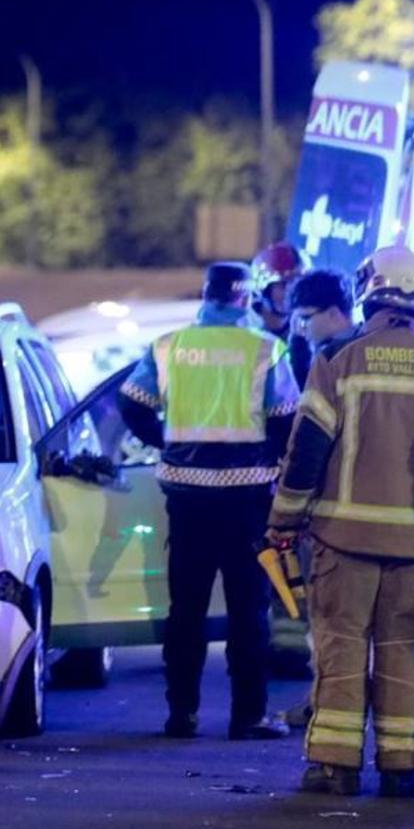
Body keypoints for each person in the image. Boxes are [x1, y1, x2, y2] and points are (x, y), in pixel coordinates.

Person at [270, 246, 414, 798]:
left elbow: (306, 450)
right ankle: (402, 765)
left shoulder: (338, 361)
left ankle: (336, 765)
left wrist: (282, 520)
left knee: (341, 648)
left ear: (369, 291)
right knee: (405, 650)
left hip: (343, 540)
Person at [118, 261, 297, 741]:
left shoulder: (170, 346)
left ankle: (182, 714)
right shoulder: (266, 349)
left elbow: (130, 402)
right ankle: (249, 716)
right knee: (248, 610)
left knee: (187, 608)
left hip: (187, 493)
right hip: (248, 496)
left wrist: (165, 442)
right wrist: (274, 461)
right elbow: (286, 418)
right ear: (246, 299)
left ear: (206, 294)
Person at [261, 268, 360, 684]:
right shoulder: (326, 353)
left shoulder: (334, 360)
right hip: (357, 505)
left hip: (336, 505)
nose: (299, 327)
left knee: (337, 613)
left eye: (305, 317)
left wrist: (286, 510)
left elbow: (308, 440)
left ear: (336, 313)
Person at [250, 242, 312, 387]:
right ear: (263, 288)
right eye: (283, 285)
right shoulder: (245, 328)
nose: (292, 293)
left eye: (297, 285)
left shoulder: (306, 329)